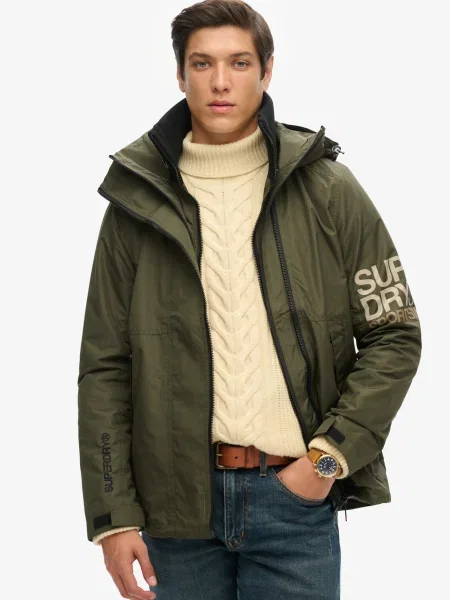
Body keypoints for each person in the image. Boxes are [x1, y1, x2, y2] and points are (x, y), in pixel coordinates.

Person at [77, 1, 422, 598]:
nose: (220, 81)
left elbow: (395, 332)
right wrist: (114, 515)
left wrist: (326, 461)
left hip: (294, 503)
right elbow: (105, 366)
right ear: (179, 74)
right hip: (175, 511)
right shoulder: (136, 202)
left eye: (239, 63)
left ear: (266, 72)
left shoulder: (327, 187)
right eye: (202, 63)